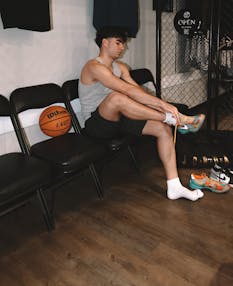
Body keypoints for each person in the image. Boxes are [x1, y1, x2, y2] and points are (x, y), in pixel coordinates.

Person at [79, 26, 205, 201]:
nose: (122, 47)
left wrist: (163, 106)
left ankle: (174, 186)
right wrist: (165, 108)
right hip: (96, 124)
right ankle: (176, 119)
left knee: (163, 130)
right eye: (118, 42)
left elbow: (137, 92)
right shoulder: (93, 67)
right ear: (105, 42)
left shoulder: (121, 67)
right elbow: (125, 90)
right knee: (117, 97)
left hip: (120, 118)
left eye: (123, 43)